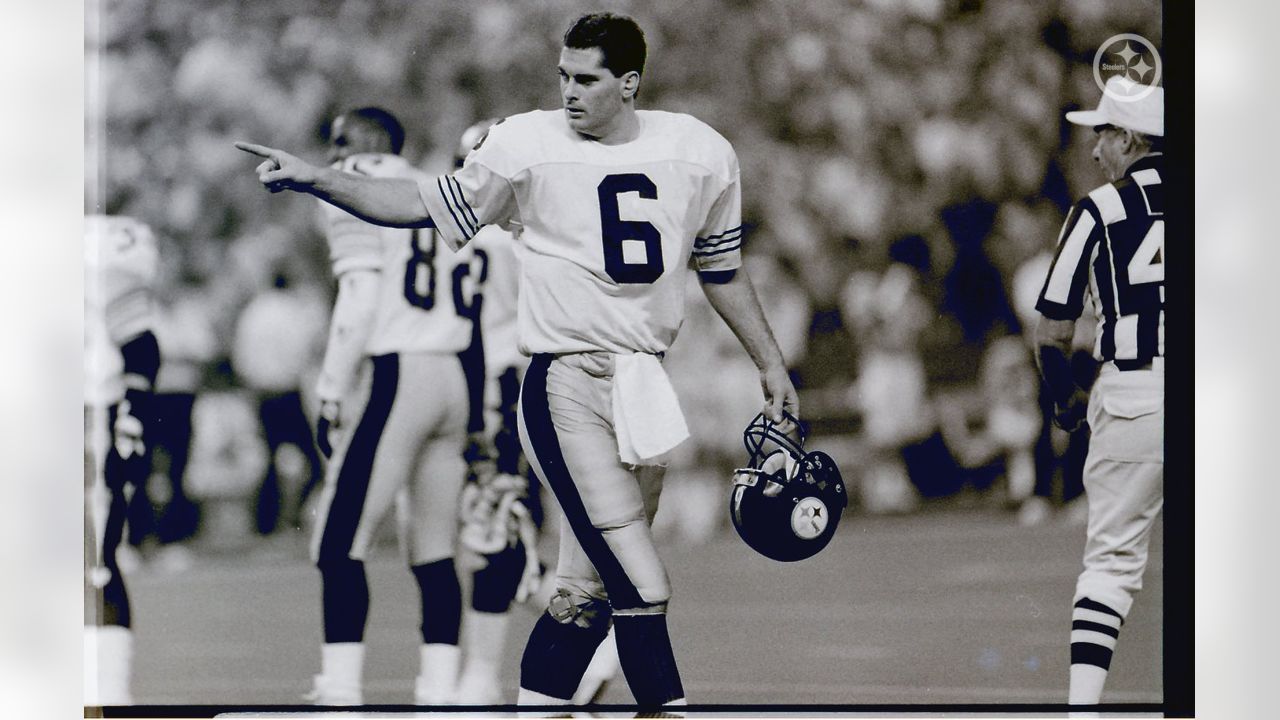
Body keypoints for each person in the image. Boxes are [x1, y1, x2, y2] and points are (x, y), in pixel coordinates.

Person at [237, 13, 797, 711]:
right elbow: (415, 203)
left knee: (579, 597)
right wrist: (317, 179)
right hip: (561, 379)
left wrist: (770, 363)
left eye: (586, 80)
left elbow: (722, 270)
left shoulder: (698, 149)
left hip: (643, 381)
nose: (568, 91)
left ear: (629, 85)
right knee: (642, 583)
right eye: (562, 75)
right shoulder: (524, 143)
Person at [302, 106, 482, 705]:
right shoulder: (436, 185)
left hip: (399, 370)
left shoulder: (355, 183)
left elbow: (359, 294)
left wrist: (330, 386)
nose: (332, 156)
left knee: (338, 540)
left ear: (366, 144)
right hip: (455, 374)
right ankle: (439, 693)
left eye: (339, 142)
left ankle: (341, 690)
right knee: (433, 547)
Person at [448, 119, 621, 706]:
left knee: (498, 531)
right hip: (557, 383)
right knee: (511, 529)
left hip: (511, 385)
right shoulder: (555, 229)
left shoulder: (489, 239)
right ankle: (585, 639)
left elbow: (468, 335)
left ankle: (493, 673)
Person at [1033, 76, 1165, 708]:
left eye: (1105, 133)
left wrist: (1065, 403)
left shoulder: (1100, 209)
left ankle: (1083, 708)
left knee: (1111, 567)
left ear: (1133, 137)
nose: (1095, 149)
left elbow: (1052, 332)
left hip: (1135, 392)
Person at [84, 215, 163, 706]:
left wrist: (130, 418)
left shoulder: (97, 250)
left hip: (93, 416)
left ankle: (109, 697)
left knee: (94, 558)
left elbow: (142, 347)